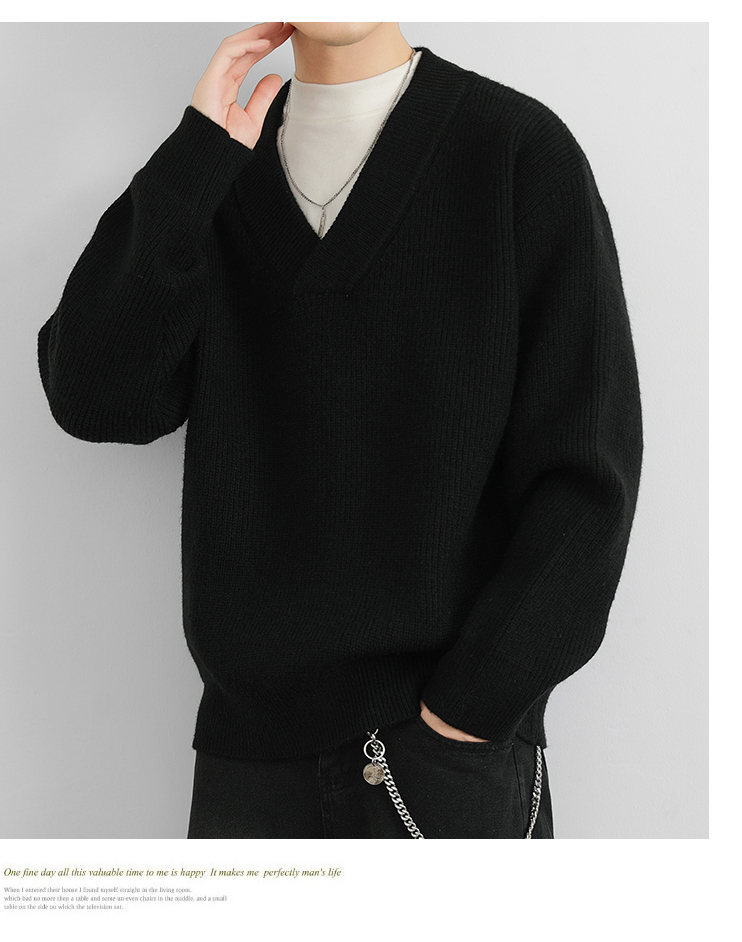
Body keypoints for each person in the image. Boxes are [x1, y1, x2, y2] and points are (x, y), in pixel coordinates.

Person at [36, 22, 644, 839]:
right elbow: (96, 397)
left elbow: (589, 472)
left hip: (446, 762)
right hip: (247, 769)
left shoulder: (516, 153)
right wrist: (194, 160)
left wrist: (468, 713)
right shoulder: (219, 170)